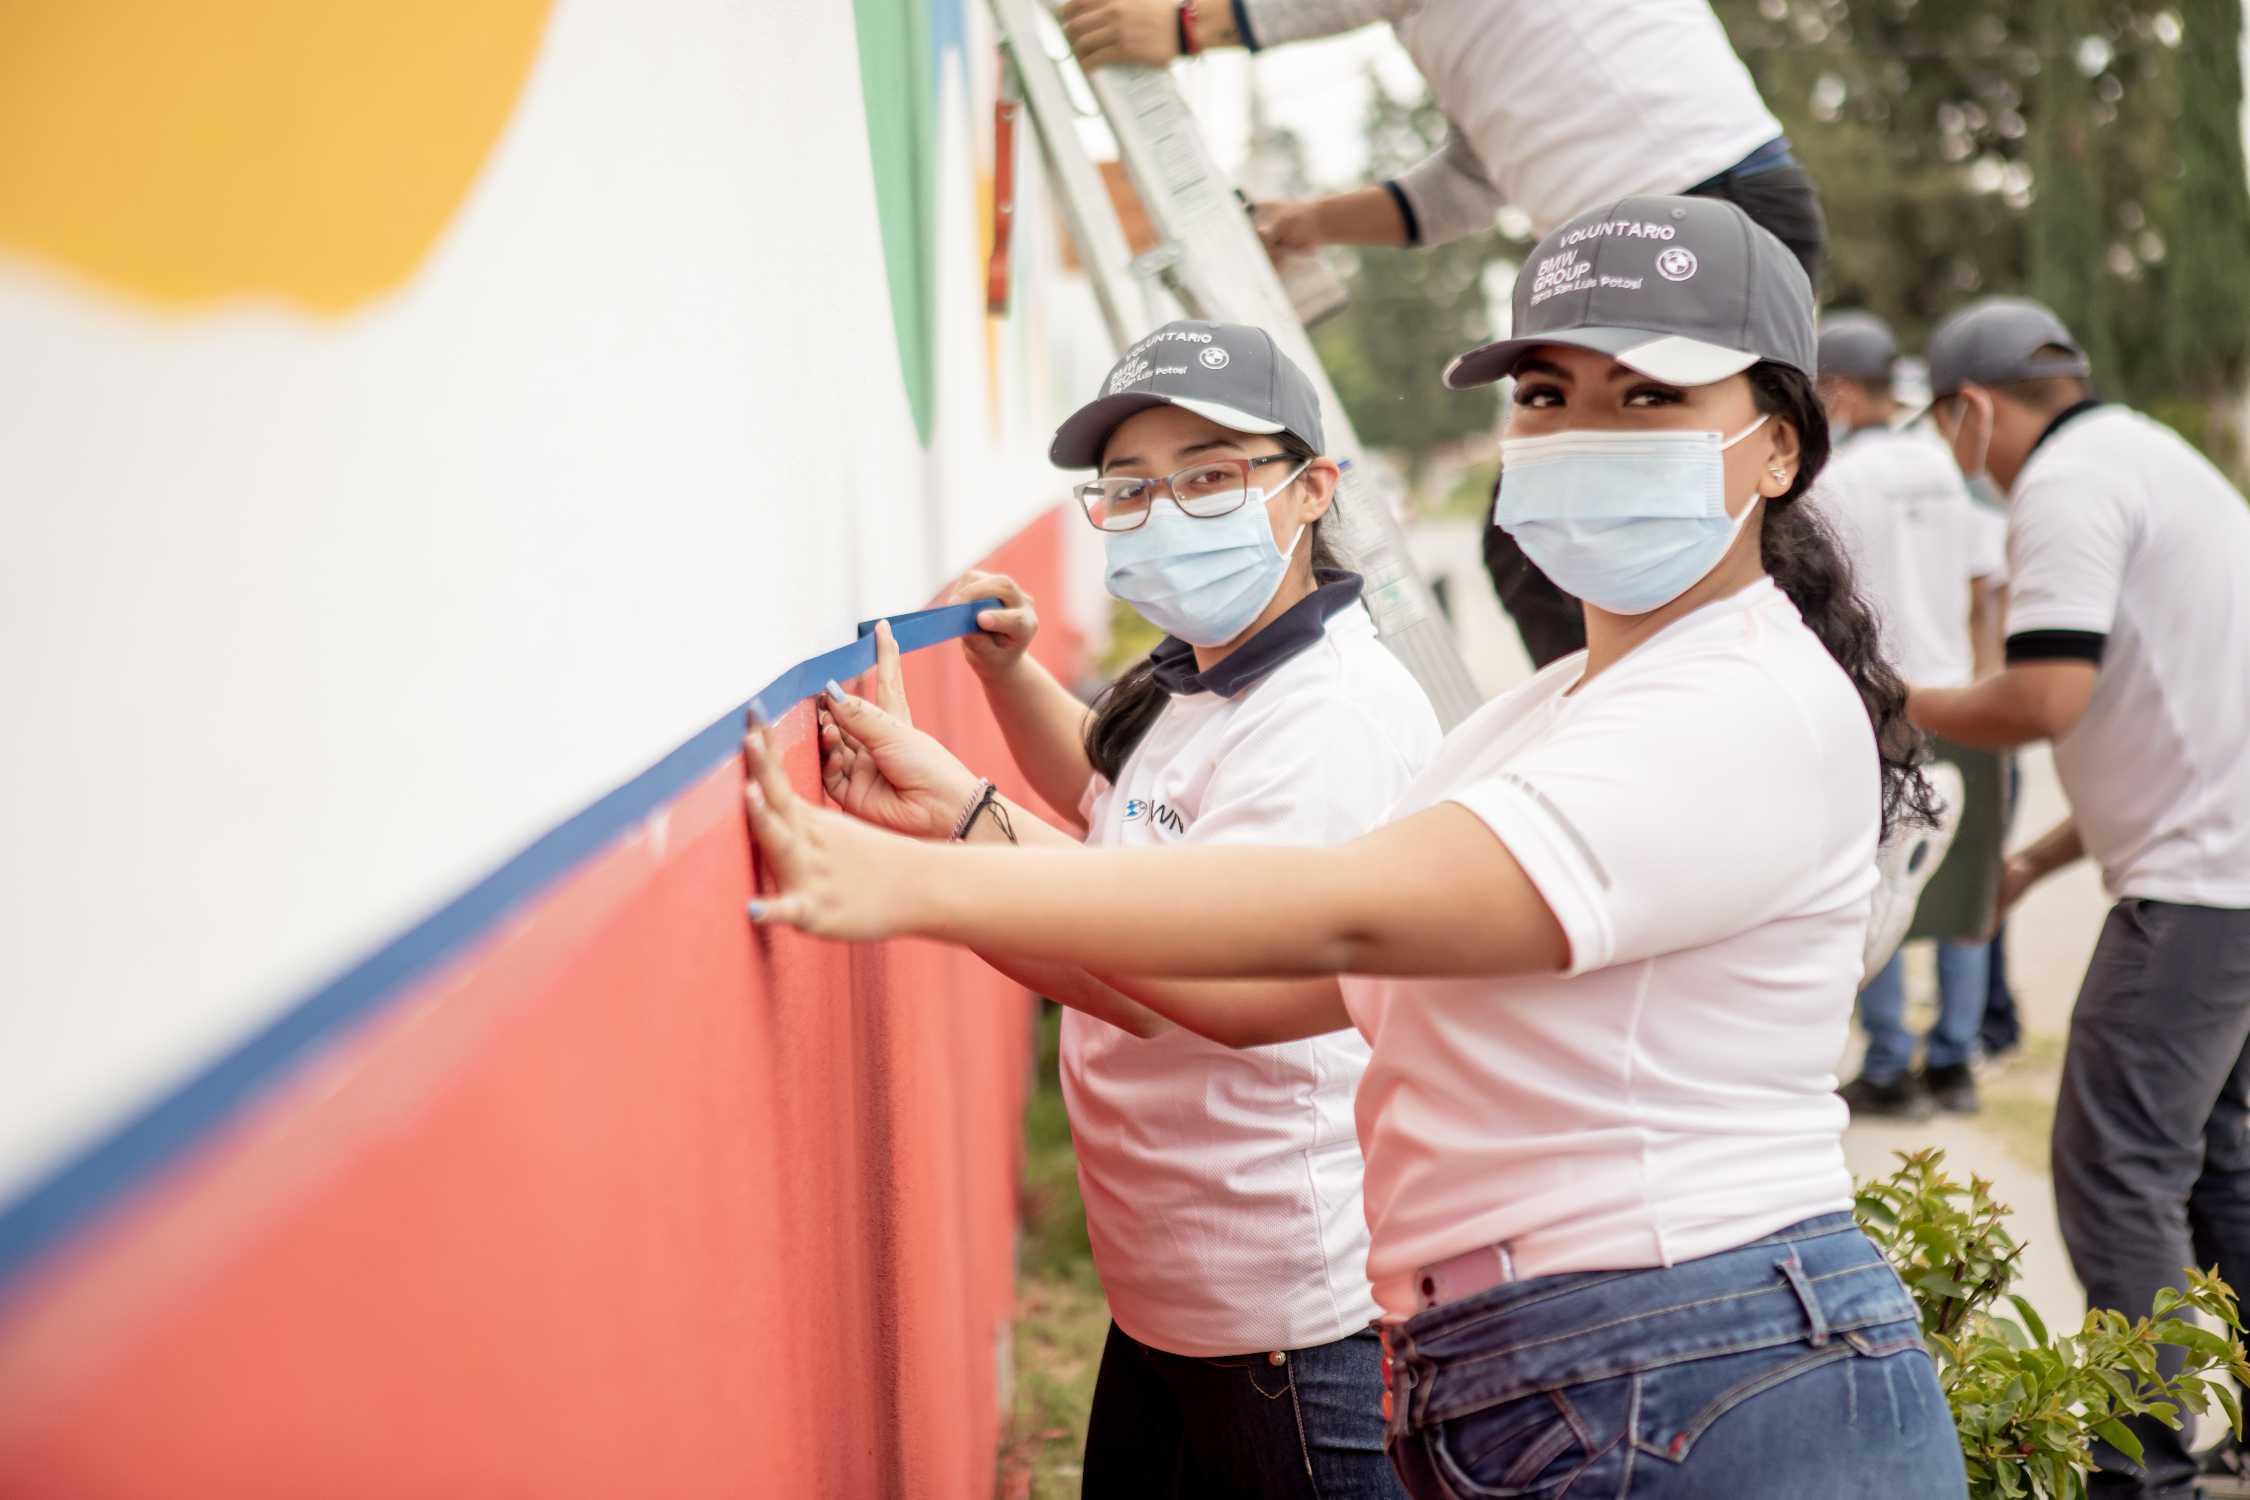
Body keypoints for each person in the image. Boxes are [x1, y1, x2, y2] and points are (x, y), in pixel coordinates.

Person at [745, 196, 1966, 1497]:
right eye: (1544, 396)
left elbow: (1333, 915)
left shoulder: (1732, 704)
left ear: (1777, 447)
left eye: (1647, 398)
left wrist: (929, 875)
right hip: (1568, 1368)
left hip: (1686, 1366)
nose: (1581, 434)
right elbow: (1277, 984)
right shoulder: (1556, 708)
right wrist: (961, 824)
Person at [815, 319, 1436, 1497]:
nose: (1165, 512)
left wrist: (959, 824)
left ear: (1312, 488)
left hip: (1292, 1321)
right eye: (1132, 488)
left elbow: (1194, 979)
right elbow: (1117, 820)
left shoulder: (1327, 717)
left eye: (1209, 476)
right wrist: (1008, 677)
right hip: (1176, 1290)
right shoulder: (1206, 667)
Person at [1056, 0, 1828, 672]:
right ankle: (1632, 717)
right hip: (1641, 238)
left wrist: (1192, 24)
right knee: (1547, 538)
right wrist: (1311, 221)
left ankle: (1716, 721)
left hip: (1700, 216)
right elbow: (1469, 182)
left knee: (1675, 520)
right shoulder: (1475, 35)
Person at [1908, 295, 2250, 1500]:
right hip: (2229, 874)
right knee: (2217, 1165)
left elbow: (2045, 697)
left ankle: (2140, 1474)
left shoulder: (2062, 484)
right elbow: (2175, 725)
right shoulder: (2156, 457)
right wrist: (2033, 863)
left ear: (1972, 408)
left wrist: (1893, 695)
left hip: (2199, 889)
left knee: (2115, 1169)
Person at [1812, 310, 2009, 1120]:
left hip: (1881, 706)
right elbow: (1984, 589)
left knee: (1882, 880)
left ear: (1840, 391)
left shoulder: (1833, 481)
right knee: (1965, 892)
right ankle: (1955, 1061)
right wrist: (1985, 684)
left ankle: (1890, 1063)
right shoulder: (1948, 469)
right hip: (1964, 697)